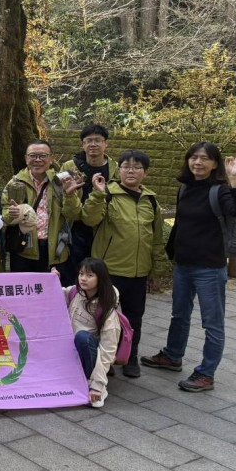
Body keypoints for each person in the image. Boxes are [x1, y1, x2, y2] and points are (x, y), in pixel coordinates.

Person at [141, 144, 236, 393]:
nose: (198, 162)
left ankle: (206, 373)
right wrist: (165, 259)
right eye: (194, 157)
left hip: (209, 268)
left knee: (212, 323)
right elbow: (180, 225)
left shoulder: (220, 190)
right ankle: (173, 356)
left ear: (215, 164)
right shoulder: (186, 187)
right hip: (184, 265)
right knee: (179, 314)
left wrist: (234, 178)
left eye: (205, 159)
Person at [80, 150, 170, 378]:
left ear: (145, 173)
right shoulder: (107, 193)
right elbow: (89, 219)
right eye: (126, 166)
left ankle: (130, 357)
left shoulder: (151, 200)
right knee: (103, 317)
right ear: (118, 170)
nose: (131, 170)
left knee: (134, 317)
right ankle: (104, 360)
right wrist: (98, 195)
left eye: (137, 167)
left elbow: (156, 238)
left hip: (138, 271)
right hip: (109, 270)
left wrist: (156, 270)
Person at [2, 140, 84, 275]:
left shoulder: (61, 182)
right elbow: (6, 217)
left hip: (55, 250)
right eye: (33, 156)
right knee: (24, 292)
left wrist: (69, 195)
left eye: (43, 156)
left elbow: (74, 215)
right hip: (24, 251)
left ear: (52, 158)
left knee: (52, 294)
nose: (37, 160)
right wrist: (13, 214)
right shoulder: (15, 183)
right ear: (26, 158)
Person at [58, 125, 119, 285]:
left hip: (103, 227)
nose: (93, 144)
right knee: (74, 273)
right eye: (89, 141)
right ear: (82, 145)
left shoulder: (115, 169)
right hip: (75, 228)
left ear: (106, 144)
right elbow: (62, 196)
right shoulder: (70, 167)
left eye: (98, 141)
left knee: (99, 273)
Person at [64, 258, 122, 409]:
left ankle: (92, 384)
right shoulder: (74, 292)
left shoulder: (107, 308)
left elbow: (107, 350)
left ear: (100, 278)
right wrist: (51, 279)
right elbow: (50, 294)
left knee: (83, 337)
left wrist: (98, 385)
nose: (83, 278)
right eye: (81, 274)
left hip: (92, 351)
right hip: (71, 350)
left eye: (90, 275)